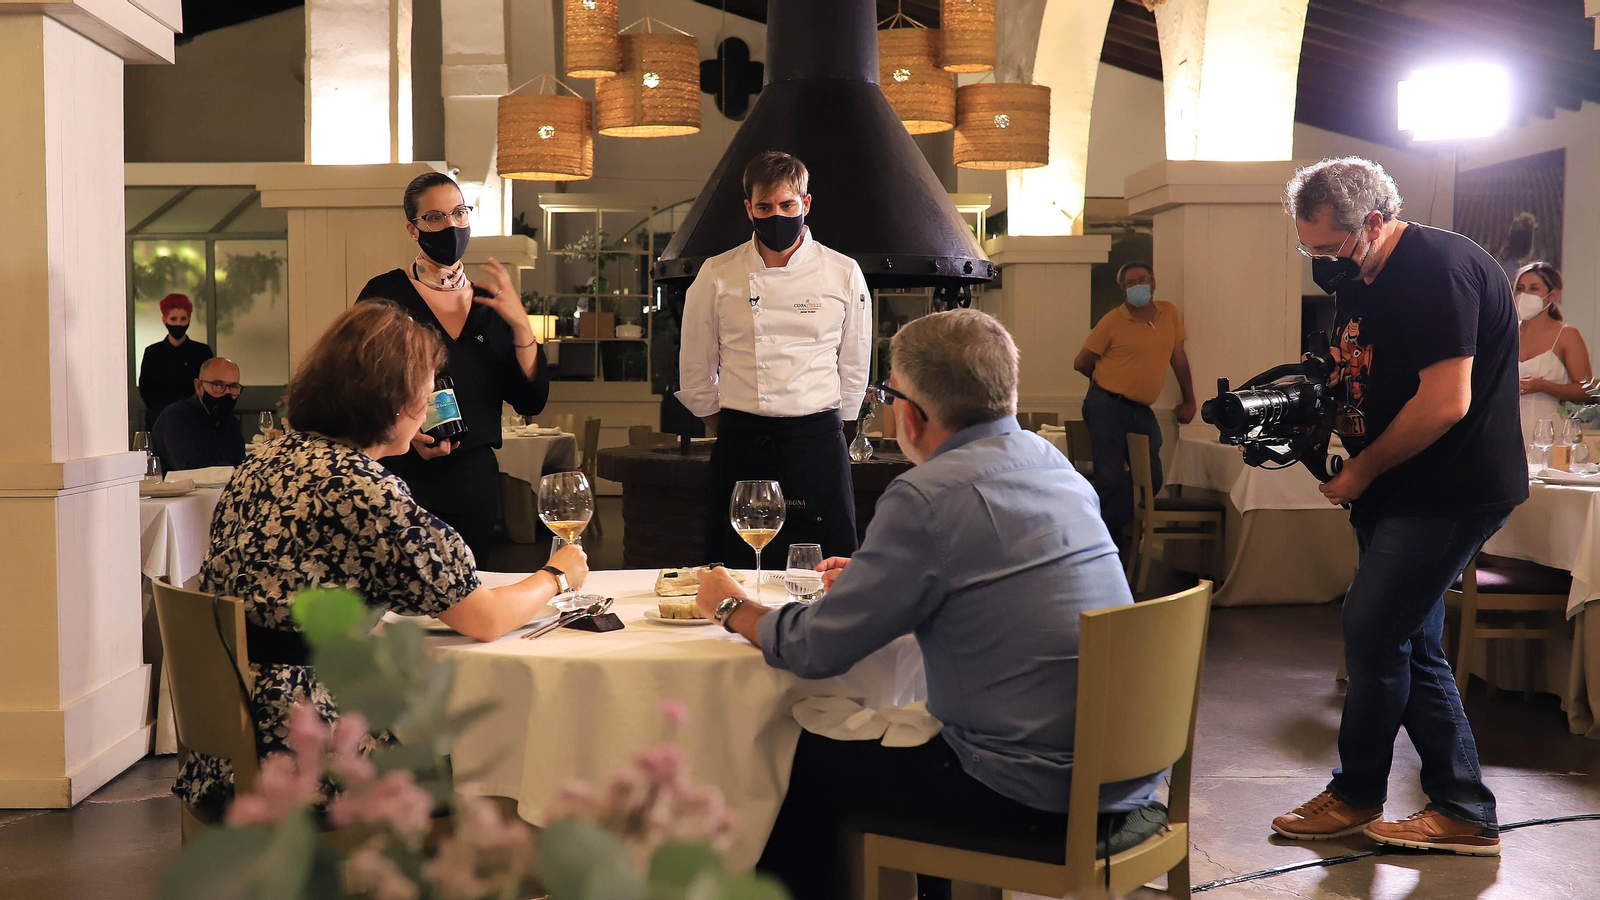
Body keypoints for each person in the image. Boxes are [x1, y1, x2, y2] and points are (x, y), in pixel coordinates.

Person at [691, 310, 1167, 900]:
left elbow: (814, 649)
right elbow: (988, 580)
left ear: (912, 415)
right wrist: (880, 582)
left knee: (798, 761)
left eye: (889, 397)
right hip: (1123, 778)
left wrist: (730, 606)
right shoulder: (1054, 466)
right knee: (910, 747)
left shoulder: (926, 494)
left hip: (1031, 795)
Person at [172, 301, 588, 820]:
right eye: (426, 393)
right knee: (482, 765)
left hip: (226, 740)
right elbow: (484, 618)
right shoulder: (364, 490)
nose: (430, 406)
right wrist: (556, 574)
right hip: (306, 748)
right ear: (392, 400)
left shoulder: (265, 460)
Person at [1272, 157, 1526, 855]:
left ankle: (1359, 794)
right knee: (1409, 640)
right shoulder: (1361, 279)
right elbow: (1360, 373)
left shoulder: (1437, 269)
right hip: (1400, 489)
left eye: (1330, 247)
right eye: (1310, 249)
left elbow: (1445, 401)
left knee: (1374, 631)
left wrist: (1362, 470)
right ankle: (1462, 808)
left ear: (1376, 222)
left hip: (1449, 487)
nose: (1324, 263)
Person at [677, 151, 873, 567]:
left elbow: (855, 365)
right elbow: (695, 368)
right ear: (749, 209)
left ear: (806, 203)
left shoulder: (843, 272)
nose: (777, 215)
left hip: (818, 442)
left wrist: (834, 426)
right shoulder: (716, 273)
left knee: (828, 567)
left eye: (787, 205)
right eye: (764, 207)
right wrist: (732, 425)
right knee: (736, 566)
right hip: (743, 443)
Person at [357, 171, 550, 557]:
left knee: (471, 587)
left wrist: (520, 324)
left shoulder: (489, 304)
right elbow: (357, 385)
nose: (451, 225)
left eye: (459, 213)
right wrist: (406, 434)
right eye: (435, 217)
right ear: (413, 230)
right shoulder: (384, 294)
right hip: (399, 476)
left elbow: (530, 399)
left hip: (473, 483)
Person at [1072, 262, 1197, 544]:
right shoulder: (1113, 321)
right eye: (1131, 283)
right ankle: (1112, 546)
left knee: (1151, 477)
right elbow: (1081, 362)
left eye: (1143, 279)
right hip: (1107, 405)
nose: (1138, 286)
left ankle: (1099, 531)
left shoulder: (1168, 313)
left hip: (1141, 409)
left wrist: (1190, 399)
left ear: (1153, 282)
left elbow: (1178, 358)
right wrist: (1108, 379)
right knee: (1110, 477)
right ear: (1123, 289)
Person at [1514, 262, 1593, 446]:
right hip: (1507, 427)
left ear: (1553, 295)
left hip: (1550, 432)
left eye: (1534, 289)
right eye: (1520, 288)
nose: (1525, 295)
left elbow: (1587, 390)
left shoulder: (1567, 335)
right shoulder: (1506, 333)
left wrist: (1545, 386)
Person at [149, 357, 247, 472]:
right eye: (218, 385)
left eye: (234, 387)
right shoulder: (175, 417)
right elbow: (190, 469)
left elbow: (242, 467)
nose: (227, 393)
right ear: (198, 386)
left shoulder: (232, 422)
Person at [138, 292, 214, 431]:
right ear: (164, 320)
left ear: (189, 319)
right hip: (160, 421)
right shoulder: (152, 352)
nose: (178, 324)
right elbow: (145, 389)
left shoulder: (202, 352)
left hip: (195, 421)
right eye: (173, 319)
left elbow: (210, 386)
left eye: (183, 319)